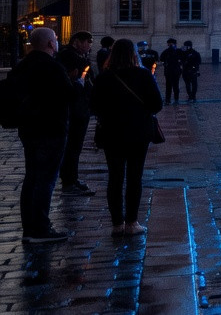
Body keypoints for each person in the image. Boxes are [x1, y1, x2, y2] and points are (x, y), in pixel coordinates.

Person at [90, 38, 162, 236]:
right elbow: (157, 103)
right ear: (134, 54)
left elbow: (93, 105)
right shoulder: (143, 74)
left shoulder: (104, 77)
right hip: (138, 132)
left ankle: (116, 224)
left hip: (112, 132)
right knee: (134, 177)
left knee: (115, 177)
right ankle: (131, 222)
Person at [15, 27, 78, 243]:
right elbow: (68, 95)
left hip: (28, 129)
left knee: (31, 177)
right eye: (56, 40)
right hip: (50, 129)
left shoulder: (23, 65)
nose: (57, 43)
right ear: (51, 44)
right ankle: (40, 228)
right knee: (45, 179)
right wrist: (78, 84)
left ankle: (29, 228)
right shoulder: (52, 66)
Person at [57, 31, 96, 196]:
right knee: (72, 146)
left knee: (76, 147)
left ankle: (72, 179)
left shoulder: (78, 57)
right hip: (74, 109)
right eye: (87, 42)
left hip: (81, 107)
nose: (89, 45)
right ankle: (68, 181)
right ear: (76, 42)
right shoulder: (68, 56)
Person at [159, 38, 183, 104]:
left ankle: (173, 99)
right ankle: (170, 99)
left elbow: (182, 59)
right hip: (170, 71)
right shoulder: (167, 52)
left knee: (173, 86)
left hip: (173, 71)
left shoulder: (177, 51)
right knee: (170, 86)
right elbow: (161, 59)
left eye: (170, 44)